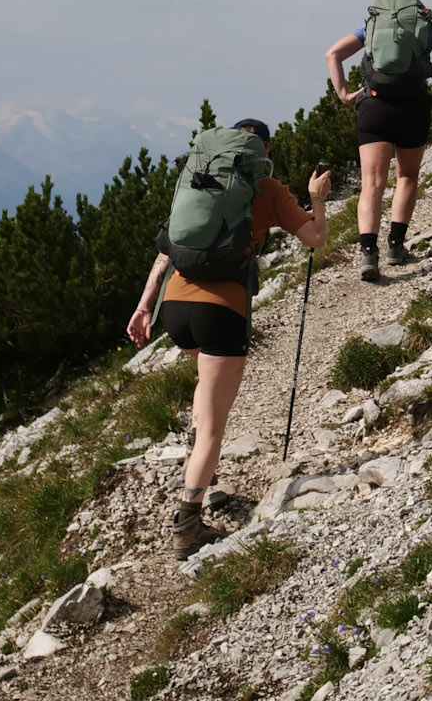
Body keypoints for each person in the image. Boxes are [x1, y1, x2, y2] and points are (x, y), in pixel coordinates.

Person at [124, 119, 330, 558]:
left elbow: (166, 252)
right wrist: (317, 199)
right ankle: (187, 524)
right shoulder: (268, 189)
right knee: (215, 429)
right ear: (262, 150)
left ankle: (202, 474)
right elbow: (314, 239)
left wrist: (145, 307)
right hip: (223, 309)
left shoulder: (200, 182)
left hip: (175, 308)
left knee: (206, 386)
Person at [323, 0, 432, 282]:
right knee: (406, 177)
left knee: (372, 183)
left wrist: (344, 94)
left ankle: (368, 252)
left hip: (374, 106)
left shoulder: (372, 24)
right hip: (413, 106)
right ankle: (395, 247)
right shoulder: (425, 24)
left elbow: (333, 54)